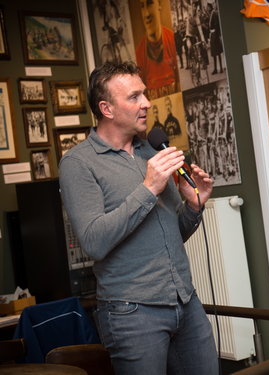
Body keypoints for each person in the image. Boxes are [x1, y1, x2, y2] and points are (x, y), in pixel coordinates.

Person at [58, 61, 218, 375]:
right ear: (106, 108)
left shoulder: (152, 151)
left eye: (143, 94)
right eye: (134, 97)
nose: (146, 103)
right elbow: (94, 242)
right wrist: (149, 188)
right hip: (132, 313)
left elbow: (170, 236)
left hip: (184, 301)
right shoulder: (78, 164)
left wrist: (193, 207)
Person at [135, 0, 180, 99]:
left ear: (159, 5)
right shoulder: (139, 53)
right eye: (142, 6)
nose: (146, 14)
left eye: (150, 3)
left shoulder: (173, 41)